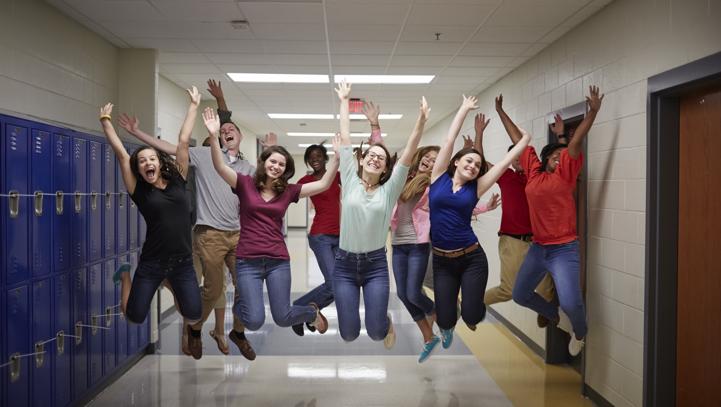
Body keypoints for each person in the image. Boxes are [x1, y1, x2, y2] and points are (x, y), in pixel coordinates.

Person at [119, 79, 257, 360]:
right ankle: (193, 329)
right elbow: (170, 146)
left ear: (240, 139)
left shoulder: (247, 167)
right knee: (213, 288)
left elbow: (262, 196)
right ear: (218, 137)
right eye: (224, 131)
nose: (228, 131)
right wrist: (137, 133)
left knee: (247, 287)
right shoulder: (205, 155)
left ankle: (237, 332)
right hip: (208, 234)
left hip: (238, 234)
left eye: (233, 131)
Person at [201, 107, 340, 346]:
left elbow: (325, 183)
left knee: (283, 317)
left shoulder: (288, 191)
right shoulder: (244, 184)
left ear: (286, 170)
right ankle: (241, 304)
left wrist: (337, 157)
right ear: (264, 162)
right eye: (273, 161)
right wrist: (214, 137)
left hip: (277, 261)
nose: (276, 166)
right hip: (248, 262)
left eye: (282, 165)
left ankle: (311, 313)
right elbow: (221, 167)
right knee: (253, 321)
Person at [99, 90, 202, 348]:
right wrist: (105, 122)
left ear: (160, 162)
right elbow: (123, 155)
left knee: (194, 315)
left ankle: (169, 283)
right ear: (139, 168)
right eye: (143, 161)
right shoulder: (139, 191)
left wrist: (193, 106)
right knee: (134, 317)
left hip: (182, 262)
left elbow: (183, 140)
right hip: (152, 263)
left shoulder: (179, 178)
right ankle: (125, 276)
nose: (147, 163)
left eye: (152, 158)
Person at [506, 86, 604, 356]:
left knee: (573, 303)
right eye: (557, 156)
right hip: (539, 248)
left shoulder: (566, 175)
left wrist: (593, 113)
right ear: (547, 158)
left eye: (565, 158)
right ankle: (555, 315)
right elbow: (519, 140)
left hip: (564, 248)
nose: (562, 159)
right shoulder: (534, 174)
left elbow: (574, 144)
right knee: (520, 294)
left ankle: (580, 331)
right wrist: (502, 112)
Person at [429, 95, 530, 350]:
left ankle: (469, 307)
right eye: (468, 161)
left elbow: (506, 163)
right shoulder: (438, 175)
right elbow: (449, 140)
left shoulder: (477, 187)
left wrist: (524, 142)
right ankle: (448, 322)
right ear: (456, 162)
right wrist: (463, 108)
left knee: (473, 315)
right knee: (446, 318)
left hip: (471, 257)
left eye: (477, 164)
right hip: (442, 261)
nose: (474, 166)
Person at [333, 81, 427, 347]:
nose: (375, 158)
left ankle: (385, 323)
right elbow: (346, 136)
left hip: (375, 266)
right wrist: (344, 100)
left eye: (381, 158)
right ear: (361, 159)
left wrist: (420, 120)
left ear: (386, 168)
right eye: (371, 155)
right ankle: (365, 324)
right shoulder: (349, 177)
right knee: (349, 334)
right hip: (344, 265)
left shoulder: (389, 190)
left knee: (375, 332)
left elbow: (409, 152)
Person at [474, 112, 556, 327]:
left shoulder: (539, 177)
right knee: (508, 291)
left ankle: (546, 309)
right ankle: (470, 305)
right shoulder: (507, 177)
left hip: (539, 241)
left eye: (522, 158)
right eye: (515, 159)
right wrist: (479, 134)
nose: (519, 161)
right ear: (511, 162)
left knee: (547, 287)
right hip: (513, 241)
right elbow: (479, 163)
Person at [291, 140, 341, 336]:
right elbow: (288, 194)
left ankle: (300, 311)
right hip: (320, 236)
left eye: (319, 157)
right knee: (334, 284)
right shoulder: (305, 181)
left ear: (325, 158)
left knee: (339, 285)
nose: (315, 161)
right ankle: (300, 310)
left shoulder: (336, 176)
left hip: (338, 236)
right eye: (311, 159)